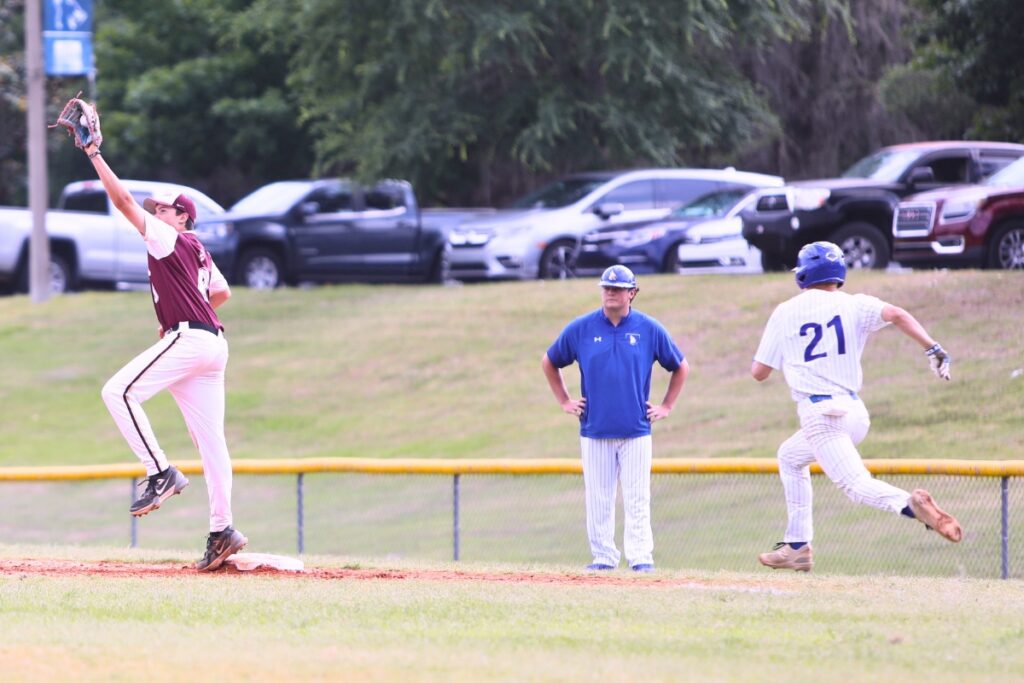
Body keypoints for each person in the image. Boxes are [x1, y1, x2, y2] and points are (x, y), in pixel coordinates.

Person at [73, 132, 247, 572]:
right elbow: (222, 291)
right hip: (213, 345)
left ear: (183, 218)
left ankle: (160, 472)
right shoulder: (198, 249)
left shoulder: (170, 239)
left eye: (165, 209)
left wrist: (94, 154)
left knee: (118, 392)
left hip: (191, 340)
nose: (156, 213)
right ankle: (222, 530)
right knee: (212, 444)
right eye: (158, 210)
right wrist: (182, 311)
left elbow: (123, 203)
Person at [751, 241, 962, 573]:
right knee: (790, 457)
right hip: (854, 413)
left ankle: (909, 505)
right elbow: (897, 314)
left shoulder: (786, 311)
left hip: (822, 415)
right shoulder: (856, 304)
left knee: (855, 485)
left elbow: (759, 373)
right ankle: (797, 546)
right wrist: (932, 348)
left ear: (803, 274)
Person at [542, 265, 689, 572]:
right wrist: (565, 401)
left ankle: (640, 558)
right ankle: (604, 557)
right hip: (594, 428)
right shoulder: (582, 328)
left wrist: (666, 407)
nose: (610, 292)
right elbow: (550, 361)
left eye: (618, 288)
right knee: (598, 497)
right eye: (606, 288)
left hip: (636, 429)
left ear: (632, 293)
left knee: (637, 496)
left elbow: (679, 366)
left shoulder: (648, 329)